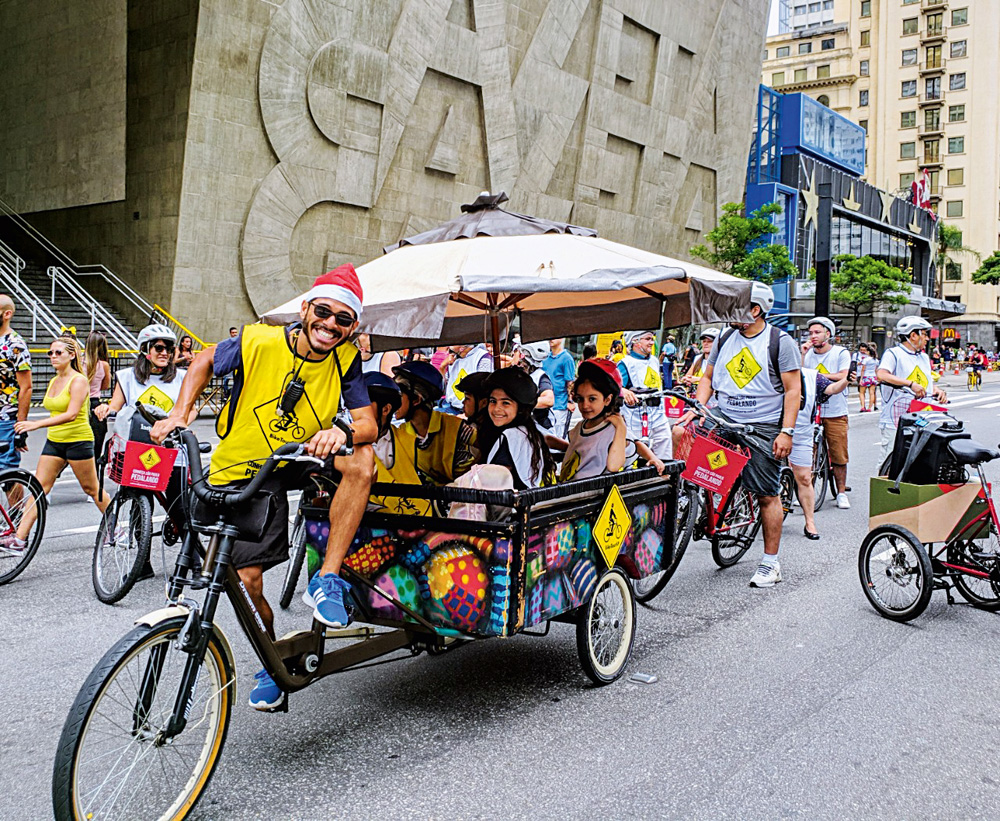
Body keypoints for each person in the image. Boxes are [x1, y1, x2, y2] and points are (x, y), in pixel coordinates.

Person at [151, 265, 378, 711]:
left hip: (296, 458)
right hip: (239, 465)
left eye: (343, 319)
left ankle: (327, 579)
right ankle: (273, 662)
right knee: (247, 582)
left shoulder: (346, 361)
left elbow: (368, 423)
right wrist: (182, 411)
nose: (331, 324)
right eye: (325, 312)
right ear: (306, 309)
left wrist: (344, 434)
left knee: (362, 462)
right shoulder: (258, 341)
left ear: (353, 328)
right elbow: (202, 360)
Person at [688, 281, 801, 588]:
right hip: (724, 416)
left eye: (738, 306)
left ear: (756, 310)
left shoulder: (780, 342)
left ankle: (770, 563)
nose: (730, 313)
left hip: (763, 426)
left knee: (767, 495)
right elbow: (708, 377)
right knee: (690, 454)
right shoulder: (725, 338)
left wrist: (786, 432)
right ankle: (698, 508)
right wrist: (698, 407)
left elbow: (793, 390)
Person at [11, 336, 111, 550]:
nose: (53, 357)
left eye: (58, 353)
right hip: (55, 441)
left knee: (92, 489)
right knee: (39, 487)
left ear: (72, 355)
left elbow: (72, 414)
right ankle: (19, 539)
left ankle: (115, 527)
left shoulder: (79, 380)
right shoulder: (54, 380)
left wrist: (35, 424)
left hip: (78, 441)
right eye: (50, 353)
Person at [557, 358, 665, 481]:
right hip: (570, 487)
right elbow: (579, 447)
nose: (585, 405)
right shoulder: (581, 426)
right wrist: (546, 440)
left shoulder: (613, 428)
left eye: (592, 399)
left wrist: (653, 458)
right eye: (580, 399)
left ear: (607, 399)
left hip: (593, 494)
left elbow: (615, 464)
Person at [876, 316, 947, 465]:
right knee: (890, 463)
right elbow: (882, 374)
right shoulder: (893, 354)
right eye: (924, 334)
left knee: (917, 464)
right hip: (895, 420)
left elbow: (926, 383)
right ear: (913, 335)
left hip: (922, 419)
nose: (927, 338)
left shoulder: (924, 357)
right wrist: (910, 384)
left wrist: (937, 390)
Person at [394, 360, 477, 484]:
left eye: (399, 396)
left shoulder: (458, 430)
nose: (392, 402)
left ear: (416, 399)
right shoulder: (400, 433)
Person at [789, 367, 848, 539]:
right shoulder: (773, 370)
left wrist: (846, 381)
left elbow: (831, 389)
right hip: (774, 429)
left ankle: (810, 522)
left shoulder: (811, 376)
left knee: (805, 478)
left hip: (801, 432)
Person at [801, 317, 852, 510]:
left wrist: (816, 375)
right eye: (810, 333)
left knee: (838, 453)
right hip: (811, 411)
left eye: (817, 332)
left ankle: (840, 492)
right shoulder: (807, 354)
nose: (812, 336)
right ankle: (808, 490)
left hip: (835, 411)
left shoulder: (840, 352)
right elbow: (797, 373)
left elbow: (843, 375)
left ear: (828, 334)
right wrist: (802, 355)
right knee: (808, 454)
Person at [364, 373, 429, 517]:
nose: (358, 413)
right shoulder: (347, 444)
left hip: (410, 520)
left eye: (365, 406)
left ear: (386, 409)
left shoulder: (410, 441)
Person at [482, 367, 555, 489]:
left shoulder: (513, 436)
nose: (496, 409)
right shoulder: (527, 431)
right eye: (493, 401)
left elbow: (495, 480)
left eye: (505, 403)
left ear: (521, 408)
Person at [618, 330, 672, 460]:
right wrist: (622, 390)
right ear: (635, 341)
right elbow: (612, 386)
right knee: (633, 453)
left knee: (664, 446)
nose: (652, 342)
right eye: (647, 339)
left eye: (652, 339)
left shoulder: (654, 360)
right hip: (635, 417)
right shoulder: (625, 363)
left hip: (657, 415)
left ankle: (664, 477)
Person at [0, 295, 32, 470]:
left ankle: (16, 499)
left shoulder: (15, 344)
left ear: (7, 314)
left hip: (6, 417)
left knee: (7, 473)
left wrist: (20, 426)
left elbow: (26, 387)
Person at [515, 341, 555, 434]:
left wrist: (523, 404)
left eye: (520, 353)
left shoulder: (540, 376)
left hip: (542, 431)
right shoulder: (519, 375)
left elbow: (549, 400)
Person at [441, 343, 492, 414]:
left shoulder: (482, 357)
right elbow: (447, 385)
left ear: (462, 347)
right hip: (451, 408)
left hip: (472, 411)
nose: (449, 346)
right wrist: (442, 367)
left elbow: (484, 388)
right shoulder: (453, 359)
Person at [540, 338, 576, 437]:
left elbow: (570, 383)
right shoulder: (545, 357)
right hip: (545, 405)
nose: (551, 339)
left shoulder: (566, 358)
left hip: (560, 405)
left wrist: (570, 401)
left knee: (557, 437)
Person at [84, 331, 111, 461]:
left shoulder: (78, 362)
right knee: (95, 449)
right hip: (95, 403)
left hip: (79, 403)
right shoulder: (104, 365)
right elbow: (106, 385)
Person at [858, 343, 879, 412]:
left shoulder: (866, 360)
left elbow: (863, 369)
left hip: (866, 377)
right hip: (873, 377)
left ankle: (863, 406)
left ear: (869, 352)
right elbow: (876, 370)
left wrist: (861, 379)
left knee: (862, 392)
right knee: (872, 393)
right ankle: (870, 408)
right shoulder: (876, 360)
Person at [221, 326, 239, 400]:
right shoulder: (228, 343)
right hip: (230, 364)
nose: (234, 334)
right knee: (226, 380)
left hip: (237, 364)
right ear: (230, 333)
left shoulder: (239, 342)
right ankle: (226, 394)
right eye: (233, 333)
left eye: (235, 332)